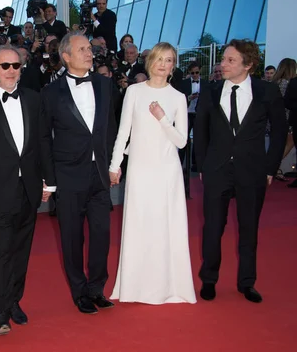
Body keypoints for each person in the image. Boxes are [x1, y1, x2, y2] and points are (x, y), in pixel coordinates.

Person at [0, 45, 55, 335]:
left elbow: (43, 142)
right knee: (2, 250)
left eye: (16, 66)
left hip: (28, 187)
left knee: (21, 250)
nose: (11, 71)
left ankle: (15, 300)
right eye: (5, 66)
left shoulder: (33, 98)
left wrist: (49, 180)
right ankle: (1, 312)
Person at [195, 39, 288, 303]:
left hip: (253, 170)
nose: (222, 64)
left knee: (249, 228)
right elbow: (200, 131)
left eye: (230, 60)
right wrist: (202, 166)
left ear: (248, 65)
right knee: (213, 227)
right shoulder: (211, 90)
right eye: (223, 59)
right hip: (217, 170)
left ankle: (247, 282)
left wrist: (270, 167)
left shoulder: (267, 91)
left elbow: (280, 132)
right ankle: (209, 279)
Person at [109, 42, 196, 305]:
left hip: (166, 170)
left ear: (173, 66)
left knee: (165, 225)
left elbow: (181, 141)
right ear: (151, 62)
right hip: (139, 167)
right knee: (139, 223)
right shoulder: (134, 92)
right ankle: (134, 286)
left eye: (169, 60)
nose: (162, 64)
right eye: (159, 58)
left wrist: (162, 118)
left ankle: (168, 286)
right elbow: (123, 131)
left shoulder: (178, 97)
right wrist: (115, 164)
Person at [40, 32, 119, 314]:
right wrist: (50, 179)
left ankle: (97, 288)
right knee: (72, 239)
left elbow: (111, 127)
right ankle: (79, 291)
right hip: (68, 175)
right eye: (82, 49)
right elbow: (44, 138)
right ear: (66, 57)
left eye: (89, 48)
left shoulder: (105, 84)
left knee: (102, 235)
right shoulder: (50, 92)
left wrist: (113, 164)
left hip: (99, 174)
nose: (89, 52)